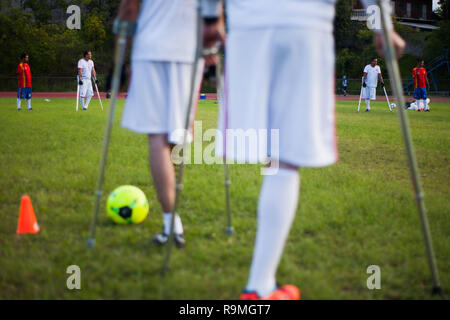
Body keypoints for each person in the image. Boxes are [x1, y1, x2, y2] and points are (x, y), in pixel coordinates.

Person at [203, 0, 405, 300]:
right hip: (303, 24)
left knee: (274, 152)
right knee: (284, 157)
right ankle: (260, 285)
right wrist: (380, 23)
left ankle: (261, 284)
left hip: (248, 25)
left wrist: (210, 17)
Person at [117, 0, 205, 247]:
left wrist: (119, 57)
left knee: (157, 136)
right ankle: (171, 222)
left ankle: (171, 224)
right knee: (178, 133)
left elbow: (129, 8)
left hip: (152, 46)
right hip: (190, 47)